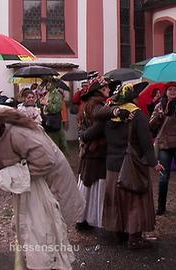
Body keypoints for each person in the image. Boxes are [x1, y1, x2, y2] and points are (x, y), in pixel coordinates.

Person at [0, 105, 85, 269]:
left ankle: (50, 265)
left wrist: (4, 176)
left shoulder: (15, 132)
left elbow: (45, 160)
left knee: (45, 230)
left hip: (48, 184)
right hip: (29, 186)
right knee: (32, 232)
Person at [82, 82, 164, 249]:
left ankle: (119, 233)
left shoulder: (109, 115)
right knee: (134, 202)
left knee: (116, 201)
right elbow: (146, 143)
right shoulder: (138, 115)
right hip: (132, 165)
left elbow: (89, 134)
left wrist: (82, 134)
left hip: (112, 166)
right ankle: (134, 238)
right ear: (133, 98)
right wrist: (154, 163)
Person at [75, 76, 109, 230]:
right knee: (96, 185)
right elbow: (98, 127)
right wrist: (86, 137)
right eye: (106, 88)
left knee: (86, 185)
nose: (109, 90)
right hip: (97, 151)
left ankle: (82, 218)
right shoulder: (97, 106)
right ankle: (93, 219)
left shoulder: (87, 105)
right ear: (99, 91)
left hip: (90, 151)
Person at [149, 82, 176, 215]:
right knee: (163, 177)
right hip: (165, 145)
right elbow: (151, 125)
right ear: (165, 91)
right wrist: (159, 116)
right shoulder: (160, 105)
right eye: (169, 89)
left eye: (174, 89)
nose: (172, 92)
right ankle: (161, 206)